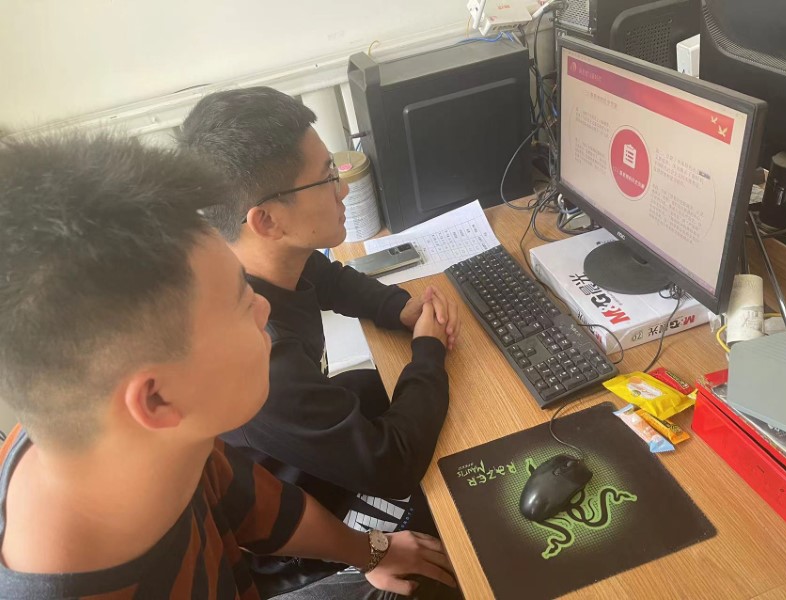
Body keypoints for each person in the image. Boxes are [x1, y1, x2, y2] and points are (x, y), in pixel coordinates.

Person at [0, 133, 456, 599]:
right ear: (157, 399)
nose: (265, 308)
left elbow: (258, 506)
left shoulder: (150, 440)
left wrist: (372, 551)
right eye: (242, 304)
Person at [179, 87, 461, 595]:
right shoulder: (257, 355)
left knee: (379, 390)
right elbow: (392, 465)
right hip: (293, 547)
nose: (344, 190)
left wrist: (395, 307)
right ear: (267, 220)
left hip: (292, 462)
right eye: (328, 177)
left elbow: (323, 275)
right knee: (462, 532)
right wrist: (428, 350)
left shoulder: (244, 257)